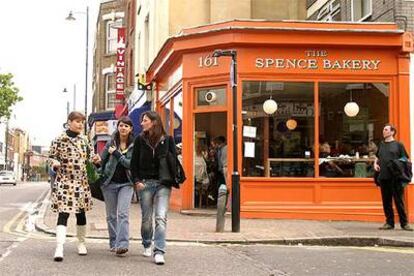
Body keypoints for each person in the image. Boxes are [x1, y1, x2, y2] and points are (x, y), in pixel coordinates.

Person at [48, 111, 101, 262]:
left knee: (81, 214)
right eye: (77, 121)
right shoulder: (59, 139)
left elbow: (91, 158)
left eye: (82, 122)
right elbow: (51, 157)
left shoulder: (84, 140)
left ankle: (81, 243)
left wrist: (96, 160)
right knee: (63, 214)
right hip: (64, 181)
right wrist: (54, 163)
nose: (80, 125)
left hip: (81, 182)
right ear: (69, 122)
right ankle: (59, 247)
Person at [130, 111, 177, 265]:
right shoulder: (139, 140)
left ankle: (159, 251)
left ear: (154, 122)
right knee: (146, 220)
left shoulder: (168, 140)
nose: (142, 123)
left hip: (163, 183)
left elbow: (174, 162)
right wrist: (137, 181)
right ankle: (146, 243)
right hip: (145, 183)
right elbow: (133, 164)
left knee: (160, 217)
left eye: (145, 120)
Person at [99, 116, 135, 256]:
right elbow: (102, 162)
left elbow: (130, 164)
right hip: (109, 183)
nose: (123, 128)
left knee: (123, 213)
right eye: (121, 125)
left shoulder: (134, 145)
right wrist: (97, 164)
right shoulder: (110, 143)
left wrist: (116, 154)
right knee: (111, 216)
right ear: (117, 127)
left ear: (130, 129)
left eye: (126, 126)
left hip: (127, 183)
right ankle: (114, 242)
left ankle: (123, 244)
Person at [374, 124, 413, 231]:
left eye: (386, 130)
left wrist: (396, 163)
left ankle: (404, 223)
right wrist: (375, 164)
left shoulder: (398, 145)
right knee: (386, 201)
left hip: (395, 178)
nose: (384, 131)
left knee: (399, 201)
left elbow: (405, 159)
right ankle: (389, 223)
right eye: (383, 130)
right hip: (383, 177)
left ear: (392, 132)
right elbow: (377, 157)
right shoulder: (381, 145)